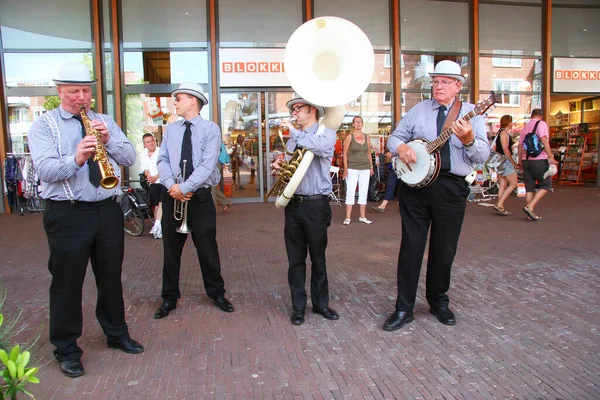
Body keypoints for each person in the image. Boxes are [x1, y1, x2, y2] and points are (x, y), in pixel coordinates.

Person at [28, 62, 143, 378]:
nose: (82, 97)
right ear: (60, 91)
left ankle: (116, 333)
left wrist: (108, 141)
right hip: (67, 213)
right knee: (66, 283)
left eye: (86, 91)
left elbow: (129, 157)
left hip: (106, 210)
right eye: (75, 91)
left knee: (110, 276)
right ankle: (66, 348)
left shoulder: (104, 120)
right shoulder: (44, 126)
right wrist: (77, 157)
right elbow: (46, 171)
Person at [383, 60, 490, 332]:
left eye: (444, 81)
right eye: (435, 81)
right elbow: (393, 139)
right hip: (415, 189)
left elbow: (482, 156)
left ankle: (438, 301)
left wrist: (468, 140)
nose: (438, 86)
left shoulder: (472, 114)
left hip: (451, 188)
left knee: (444, 249)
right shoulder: (419, 110)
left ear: (458, 86)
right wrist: (402, 148)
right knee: (411, 247)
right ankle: (403, 307)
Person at [154, 82, 234, 319]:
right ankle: (169, 297)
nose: (175, 102)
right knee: (170, 251)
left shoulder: (210, 129)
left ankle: (216, 293)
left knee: (208, 248)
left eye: (179, 98)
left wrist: (186, 188)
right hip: (173, 194)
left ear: (193, 101)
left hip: (199, 197)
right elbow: (163, 160)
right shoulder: (171, 129)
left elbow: (208, 164)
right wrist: (172, 187)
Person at [278, 95, 338, 326]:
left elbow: (319, 147)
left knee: (318, 257)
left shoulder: (326, 133)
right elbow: (288, 163)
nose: (294, 112)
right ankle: (298, 307)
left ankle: (322, 304)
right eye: (293, 109)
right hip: (294, 204)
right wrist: (279, 165)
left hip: (315, 204)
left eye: (298, 108)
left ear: (312, 109)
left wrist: (294, 133)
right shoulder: (296, 138)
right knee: (295, 259)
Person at [518, 108, 557, 221]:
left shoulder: (525, 126)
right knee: (546, 184)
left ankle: (530, 212)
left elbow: (520, 146)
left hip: (526, 160)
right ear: (541, 116)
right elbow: (544, 140)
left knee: (529, 187)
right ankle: (530, 207)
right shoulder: (541, 124)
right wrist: (551, 157)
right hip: (539, 159)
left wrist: (520, 161)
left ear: (531, 115)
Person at [342, 115, 374, 225]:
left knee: (363, 192)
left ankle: (362, 216)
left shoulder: (367, 137)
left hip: (365, 167)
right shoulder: (349, 137)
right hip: (352, 167)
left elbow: (368, 152)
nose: (358, 123)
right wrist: (345, 168)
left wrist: (371, 167)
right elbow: (345, 154)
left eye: (360, 122)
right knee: (350, 191)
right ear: (353, 124)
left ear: (362, 123)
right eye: (356, 122)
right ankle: (348, 217)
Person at [492, 115, 519, 216]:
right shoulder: (504, 132)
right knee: (513, 183)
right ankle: (499, 204)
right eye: (511, 122)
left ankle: (501, 205)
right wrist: (513, 162)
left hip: (498, 160)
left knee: (503, 182)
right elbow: (505, 149)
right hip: (504, 160)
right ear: (508, 122)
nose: (512, 123)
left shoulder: (499, 132)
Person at [140, 133, 165, 238]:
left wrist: (156, 176)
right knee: (155, 205)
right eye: (148, 142)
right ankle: (158, 227)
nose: (151, 143)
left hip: (163, 181)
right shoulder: (144, 154)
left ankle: (157, 226)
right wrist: (148, 175)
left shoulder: (161, 151)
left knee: (161, 204)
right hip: (153, 183)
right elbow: (144, 168)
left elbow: (166, 167)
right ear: (144, 144)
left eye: (152, 141)